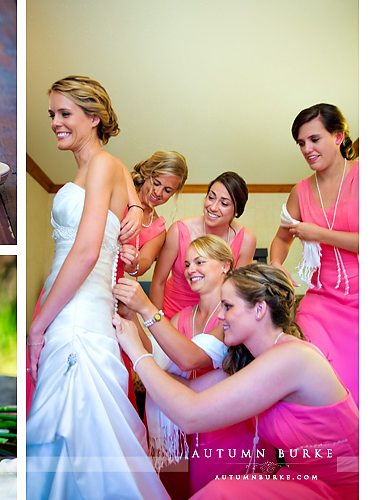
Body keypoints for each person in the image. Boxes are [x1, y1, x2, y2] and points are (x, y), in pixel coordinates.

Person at [26, 76, 169, 500]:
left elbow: (87, 252)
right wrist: (138, 206)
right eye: (52, 113)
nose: (54, 122)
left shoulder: (104, 164)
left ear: (94, 118)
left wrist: (37, 327)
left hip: (75, 311)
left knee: (76, 431)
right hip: (73, 302)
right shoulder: (103, 168)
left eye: (65, 113)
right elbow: (125, 200)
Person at [114, 263, 358, 499]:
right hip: (302, 478)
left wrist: (138, 354)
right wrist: (135, 333)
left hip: (341, 485)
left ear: (260, 309)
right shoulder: (256, 359)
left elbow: (191, 416)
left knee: (220, 493)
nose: (219, 316)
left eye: (228, 306)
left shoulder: (293, 357)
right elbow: (190, 389)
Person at [114, 236, 273, 498]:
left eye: (200, 262)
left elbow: (190, 358)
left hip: (224, 428)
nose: (190, 270)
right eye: (187, 264)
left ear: (225, 265)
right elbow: (156, 354)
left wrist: (146, 308)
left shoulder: (234, 316)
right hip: (181, 427)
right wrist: (131, 314)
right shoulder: (182, 316)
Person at [270, 103, 359, 406]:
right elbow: (282, 239)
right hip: (320, 301)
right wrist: (276, 264)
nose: (307, 148)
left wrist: (318, 234)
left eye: (314, 139)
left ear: (338, 136)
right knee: (312, 379)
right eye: (301, 143)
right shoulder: (300, 191)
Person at [150, 172, 257, 320]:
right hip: (173, 312)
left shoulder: (246, 240)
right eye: (211, 197)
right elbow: (158, 282)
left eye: (224, 203)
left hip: (215, 317)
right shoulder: (179, 230)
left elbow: (236, 291)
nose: (213, 207)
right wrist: (157, 322)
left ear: (237, 211)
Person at [120, 151, 189, 278]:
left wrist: (134, 265)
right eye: (156, 183)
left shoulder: (158, 229)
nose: (157, 192)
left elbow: (145, 262)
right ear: (146, 175)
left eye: (167, 190)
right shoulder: (120, 195)